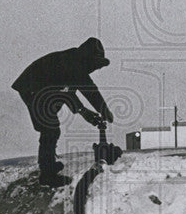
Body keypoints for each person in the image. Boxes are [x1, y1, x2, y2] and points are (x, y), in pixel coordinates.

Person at [12, 37, 114, 187]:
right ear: (89, 60)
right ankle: (47, 175)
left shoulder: (74, 63)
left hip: (44, 89)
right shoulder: (73, 64)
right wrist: (99, 111)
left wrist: (88, 111)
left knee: (51, 126)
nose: (96, 69)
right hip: (33, 88)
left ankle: (48, 165)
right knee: (50, 128)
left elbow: (71, 92)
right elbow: (86, 91)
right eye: (96, 66)